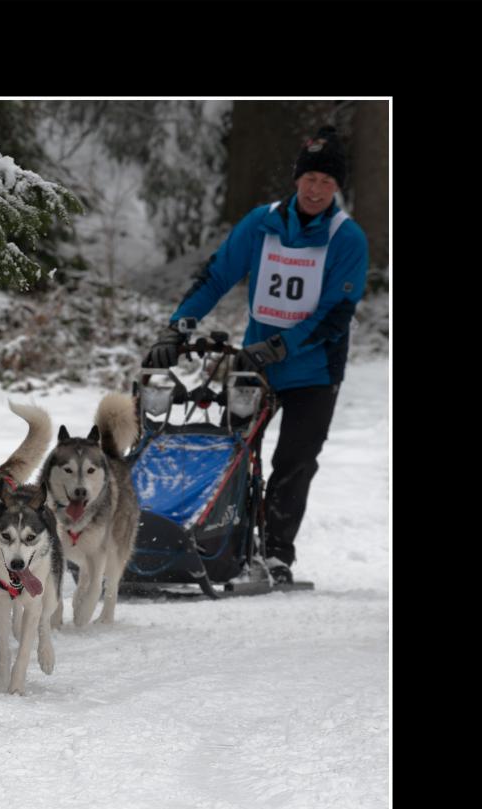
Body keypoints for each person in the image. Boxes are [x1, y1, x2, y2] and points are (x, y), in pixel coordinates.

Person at [144, 125, 369, 584]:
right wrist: (178, 326)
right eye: (310, 178)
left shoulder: (347, 238)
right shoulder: (261, 223)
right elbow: (217, 276)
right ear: (296, 179)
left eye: (327, 182)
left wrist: (280, 346)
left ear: (337, 188)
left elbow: (334, 315)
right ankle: (220, 544)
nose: (316, 189)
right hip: (255, 367)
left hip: (313, 369)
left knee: (294, 463)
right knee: (234, 453)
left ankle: (276, 555)